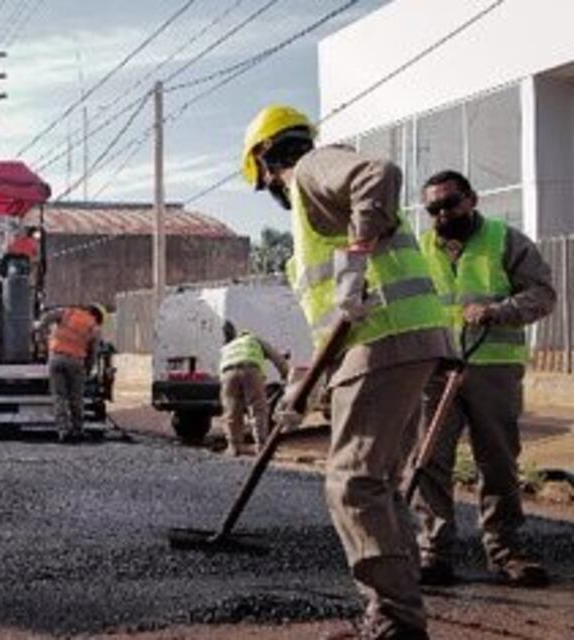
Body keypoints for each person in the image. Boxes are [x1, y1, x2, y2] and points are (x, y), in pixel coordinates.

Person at [242, 105, 452, 640]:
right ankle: (396, 610)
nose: (268, 183)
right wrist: (299, 391)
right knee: (376, 481)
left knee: (351, 483)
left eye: (263, 174)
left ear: (267, 161)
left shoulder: (311, 169)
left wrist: (355, 264)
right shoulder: (308, 225)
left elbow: (378, 174)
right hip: (399, 338)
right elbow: (329, 324)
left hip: (386, 338)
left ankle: (395, 622)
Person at [413, 170, 556, 588]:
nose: (442, 214)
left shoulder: (505, 240)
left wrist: (499, 310)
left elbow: (543, 294)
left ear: (471, 199)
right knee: (428, 460)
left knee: (496, 461)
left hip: (492, 369)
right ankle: (434, 551)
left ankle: (505, 549)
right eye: (433, 209)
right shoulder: (420, 249)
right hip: (437, 371)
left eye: (450, 203)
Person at [218, 320, 289, 456]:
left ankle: (233, 446)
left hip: (228, 374)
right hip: (250, 370)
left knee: (231, 410)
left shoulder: (228, 346)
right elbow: (276, 357)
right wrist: (285, 374)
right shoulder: (253, 339)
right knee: (258, 409)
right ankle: (261, 446)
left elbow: (221, 367)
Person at [39, 304, 104, 442]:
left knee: (59, 396)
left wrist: (43, 337)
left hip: (56, 358)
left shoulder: (68, 313)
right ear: (97, 317)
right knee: (76, 398)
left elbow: (45, 318)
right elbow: (93, 353)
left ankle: (63, 431)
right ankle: (78, 430)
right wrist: (87, 370)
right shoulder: (94, 327)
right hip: (76, 362)